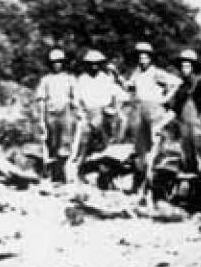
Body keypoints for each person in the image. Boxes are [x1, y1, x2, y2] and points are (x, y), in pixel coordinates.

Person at [160, 48, 201, 209]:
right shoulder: (181, 87)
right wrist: (160, 124)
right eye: (182, 66)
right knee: (186, 160)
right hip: (183, 127)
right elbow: (173, 109)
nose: (185, 69)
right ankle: (190, 196)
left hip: (196, 126)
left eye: (188, 66)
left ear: (193, 67)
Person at [122, 41, 182, 192]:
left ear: (150, 58)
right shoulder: (137, 72)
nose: (143, 59)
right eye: (140, 57)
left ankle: (153, 186)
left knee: (154, 146)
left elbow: (176, 82)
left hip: (153, 109)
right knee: (139, 147)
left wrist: (165, 98)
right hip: (139, 108)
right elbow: (130, 86)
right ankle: (138, 183)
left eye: (146, 57)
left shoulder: (156, 72)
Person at [68, 48, 127, 178]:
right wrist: (80, 111)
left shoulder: (106, 79)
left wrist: (116, 107)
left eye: (97, 63)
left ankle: (110, 162)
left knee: (121, 123)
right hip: (88, 112)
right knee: (82, 132)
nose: (94, 66)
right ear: (87, 64)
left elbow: (121, 95)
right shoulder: (82, 80)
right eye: (91, 63)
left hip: (105, 112)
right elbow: (76, 100)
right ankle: (76, 163)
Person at [34, 48, 76, 182]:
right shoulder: (46, 80)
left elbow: (75, 98)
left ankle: (63, 174)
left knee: (65, 143)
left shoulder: (69, 78)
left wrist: (77, 113)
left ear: (63, 63)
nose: (57, 64)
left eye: (59, 62)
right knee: (51, 144)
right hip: (50, 114)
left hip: (65, 114)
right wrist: (41, 120)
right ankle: (51, 174)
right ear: (50, 63)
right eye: (54, 62)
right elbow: (41, 100)